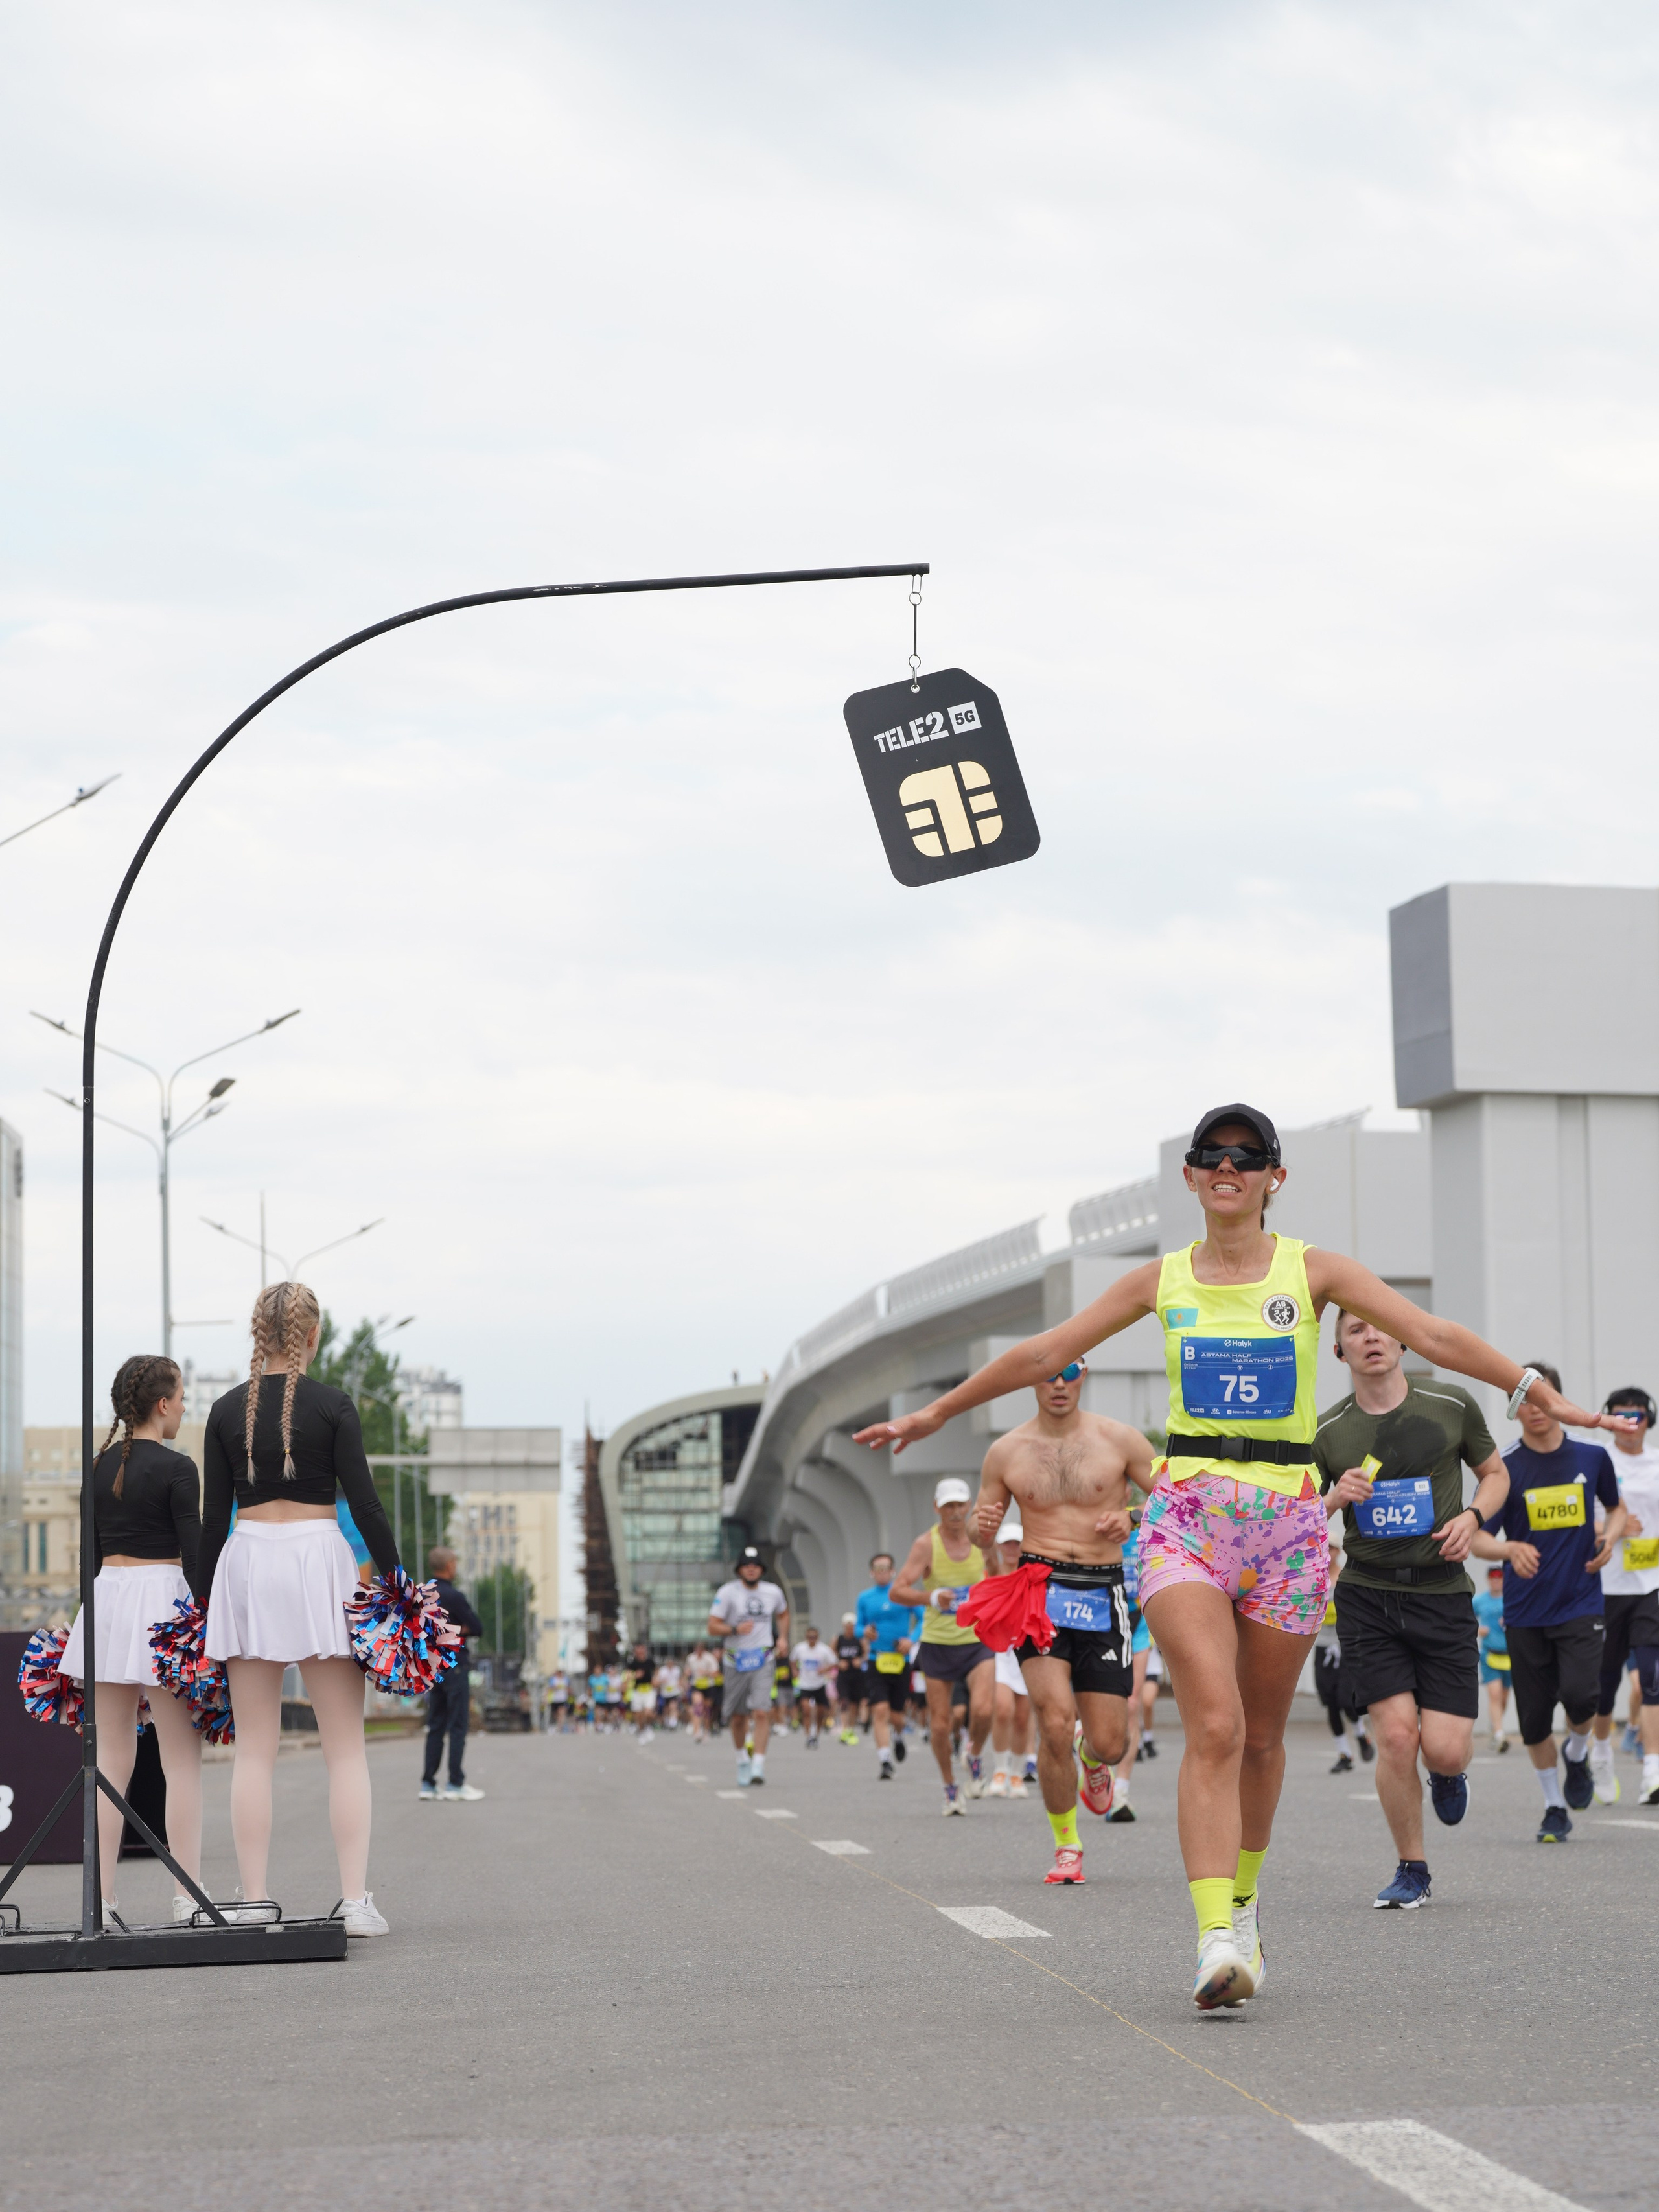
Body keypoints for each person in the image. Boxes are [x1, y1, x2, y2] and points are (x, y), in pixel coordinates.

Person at [856, 1103, 1632, 2007]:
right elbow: (1046, 1349)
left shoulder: (1315, 1271)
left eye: (1248, 1155)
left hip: (1290, 1527)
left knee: (1263, 1737)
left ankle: (1247, 1902)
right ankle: (1213, 1932)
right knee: (1215, 1725)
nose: (1229, 1167)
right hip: (1188, 1515)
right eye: (1212, 1156)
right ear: (1190, 1176)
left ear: (1273, 1176)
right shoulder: (1164, 1279)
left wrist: (1540, 1392)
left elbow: (1434, 1336)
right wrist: (935, 1415)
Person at [199, 1281, 404, 1937]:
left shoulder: (225, 1409)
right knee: (345, 1749)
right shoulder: (335, 1404)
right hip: (321, 1559)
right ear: (313, 1336)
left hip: (248, 1561)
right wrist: (397, 1583)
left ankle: (254, 1898)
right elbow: (366, 1506)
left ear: (258, 1335)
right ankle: (355, 1900)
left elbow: (210, 1521)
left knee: (253, 1749)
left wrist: (200, 1603)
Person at [1314, 1309, 1511, 1911]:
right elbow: (1297, 1519)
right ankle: (1412, 1867)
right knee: (1396, 1737)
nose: (1370, 1336)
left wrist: (1473, 1517)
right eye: (1354, 1330)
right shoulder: (1327, 1432)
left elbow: (1495, 1474)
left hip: (1443, 1591)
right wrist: (1333, 1496)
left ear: (1401, 1340)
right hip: (1368, 1595)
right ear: (1341, 1353)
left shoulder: (1449, 1403)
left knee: (1444, 1747)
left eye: (1378, 1327)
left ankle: (1449, 1773)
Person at [966, 1360, 1153, 1878]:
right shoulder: (1006, 1451)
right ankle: (1066, 1846)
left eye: (1069, 1372)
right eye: (1049, 1372)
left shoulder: (1120, 1440)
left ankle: (1089, 1755)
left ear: (1084, 1375)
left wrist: (1132, 1516)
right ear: (1035, 1379)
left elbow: (1178, 1495)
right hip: (1039, 1589)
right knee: (1051, 1720)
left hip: (1104, 1588)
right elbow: (982, 1529)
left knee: (1112, 1741)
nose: (1058, 1382)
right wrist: (979, 1526)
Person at [59, 1355, 205, 1926]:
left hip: (107, 1602)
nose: (186, 1405)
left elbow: (85, 1559)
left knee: (110, 1760)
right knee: (181, 1760)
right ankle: (187, 1898)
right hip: (163, 1599)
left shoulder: (95, 1468)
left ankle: (102, 1901)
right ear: (163, 1404)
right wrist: (207, 1625)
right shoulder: (178, 1467)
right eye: (182, 1396)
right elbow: (193, 1557)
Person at [1472, 1362, 1627, 1841]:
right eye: (1525, 1399)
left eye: (1544, 1395)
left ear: (1558, 1398)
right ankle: (1554, 1805)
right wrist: (1509, 1548)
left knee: (1585, 1695)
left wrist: (1611, 1538)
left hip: (1580, 1601)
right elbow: (1477, 1537)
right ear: (1514, 1407)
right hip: (1525, 1611)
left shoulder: (1592, 1457)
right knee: (1535, 1720)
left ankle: (1577, 1754)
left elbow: (1617, 1508)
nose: (1536, 1407)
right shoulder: (1507, 1468)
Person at [890, 1479, 998, 1814]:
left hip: (976, 1639)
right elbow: (898, 1590)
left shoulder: (981, 1539)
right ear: (937, 1508)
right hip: (938, 1642)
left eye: (960, 1505)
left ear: (969, 1506)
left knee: (981, 1710)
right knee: (939, 1723)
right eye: (948, 1506)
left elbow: (996, 1574)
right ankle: (951, 1787)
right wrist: (931, 1597)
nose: (955, 1512)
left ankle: (975, 1753)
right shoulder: (926, 1544)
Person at [1590, 1388, 1659, 1806]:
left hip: (1649, 1583)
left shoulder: (1657, 1463)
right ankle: (1600, 1754)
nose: (1630, 1424)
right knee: (1603, 1684)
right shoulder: (1598, 1460)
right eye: (1621, 1416)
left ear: (1649, 1419)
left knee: (1652, 1676)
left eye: (1637, 1416)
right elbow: (1578, 1523)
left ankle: (1653, 1769)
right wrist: (1611, 1531)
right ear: (1609, 1419)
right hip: (1603, 1586)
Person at [708, 1545, 789, 1786]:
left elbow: (784, 1614)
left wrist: (783, 1638)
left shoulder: (773, 1592)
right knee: (738, 1718)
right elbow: (712, 1626)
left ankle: (758, 1765)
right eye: (747, 1566)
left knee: (762, 1711)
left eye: (755, 1566)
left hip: (763, 1658)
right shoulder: (728, 1592)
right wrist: (734, 1629)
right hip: (735, 1660)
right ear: (740, 1570)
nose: (751, 1570)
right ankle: (743, 1759)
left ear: (761, 1570)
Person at [420, 1548, 485, 1802]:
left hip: (433, 1665)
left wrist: (440, 1630)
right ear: (449, 1565)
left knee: (435, 1724)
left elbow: (420, 1628)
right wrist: (460, 1629)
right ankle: (455, 1783)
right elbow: (477, 1627)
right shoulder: (454, 1596)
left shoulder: (423, 1595)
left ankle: (428, 1783)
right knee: (457, 1725)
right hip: (455, 1663)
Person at [854, 1553, 920, 1780]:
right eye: (877, 1568)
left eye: (886, 1568)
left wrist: (911, 1640)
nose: (882, 1572)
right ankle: (885, 1761)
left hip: (900, 1660)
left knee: (897, 1716)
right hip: (876, 1659)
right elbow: (858, 1627)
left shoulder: (902, 1593)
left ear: (893, 1571)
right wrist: (865, 1632)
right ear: (872, 1572)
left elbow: (923, 1619)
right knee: (879, 1711)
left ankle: (899, 1737)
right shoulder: (865, 1598)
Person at [986, 1510, 1034, 1799]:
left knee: (1023, 1717)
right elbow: (986, 1552)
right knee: (1003, 1709)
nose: (1012, 1549)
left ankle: (1016, 1774)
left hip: (1027, 1648)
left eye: (1017, 1544)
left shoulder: (1031, 1573)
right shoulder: (995, 1573)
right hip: (1002, 1651)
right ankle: (1000, 1770)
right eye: (1007, 1544)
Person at [1312, 1535, 1364, 1771]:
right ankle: (1344, 1754)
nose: (1329, 1552)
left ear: (1338, 1552)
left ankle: (1361, 1733)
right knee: (1330, 1702)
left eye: (1332, 1548)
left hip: (1345, 1645)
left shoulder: (1346, 1577)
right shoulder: (1314, 1578)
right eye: (1325, 1548)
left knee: (1346, 1698)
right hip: (1323, 1646)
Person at [1474, 1566, 1511, 1751]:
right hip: (1489, 1654)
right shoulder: (1479, 1601)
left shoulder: (1512, 1599)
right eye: (1493, 1578)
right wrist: (1478, 1630)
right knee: (1494, 1694)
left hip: (1509, 1656)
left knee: (1504, 1698)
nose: (1496, 1581)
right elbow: (1464, 1617)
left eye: (1499, 1578)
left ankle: (1496, 1725)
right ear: (1489, 1580)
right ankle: (1499, 1734)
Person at [792, 1625, 835, 1746]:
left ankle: (816, 1734)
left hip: (819, 1684)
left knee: (820, 1712)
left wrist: (824, 1669)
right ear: (806, 1637)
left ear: (817, 1637)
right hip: (805, 1684)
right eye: (810, 1637)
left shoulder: (824, 1649)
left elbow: (834, 1662)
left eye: (814, 1637)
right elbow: (792, 1660)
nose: (812, 1639)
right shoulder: (800, 1648)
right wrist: (795, 1671)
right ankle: (808, 1736)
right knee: (806, 1710)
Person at [834, 1614, 864, 1744]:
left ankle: (851, 1729)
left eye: (852, 1626)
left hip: (857, 1676)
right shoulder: (838, 1639)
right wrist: (839, 1662)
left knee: (854, 1704)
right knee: (844, 1701)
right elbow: (832, 1654)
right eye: (848, 1626)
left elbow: (866, 1653)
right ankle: (844, 1729)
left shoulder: (859, 1640)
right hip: (843, 1676)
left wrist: (860, 1660)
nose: (850, 1629)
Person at [686, 1642, 720, 1741]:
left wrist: (706, 1673)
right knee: (698, 1706)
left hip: (709, 1685)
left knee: (707, 1710)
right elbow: (687, 1671)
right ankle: (697, 1731)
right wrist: (687, 1674)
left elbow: (716, 1673)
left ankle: (706, 1730)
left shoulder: (710, 1658)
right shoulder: (691, 1658)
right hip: (697, 1685)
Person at [656, 1652, 684, 1730]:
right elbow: (657, 1681)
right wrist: (662, 1682)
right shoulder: (662, 1670)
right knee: (666, 1709)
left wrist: (681, 1686)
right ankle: (667, 1721)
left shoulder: (677, 1669)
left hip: (674, 1692)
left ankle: (673, 1723)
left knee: (673, 1706)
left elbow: (680, 1679)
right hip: (665, 1692)